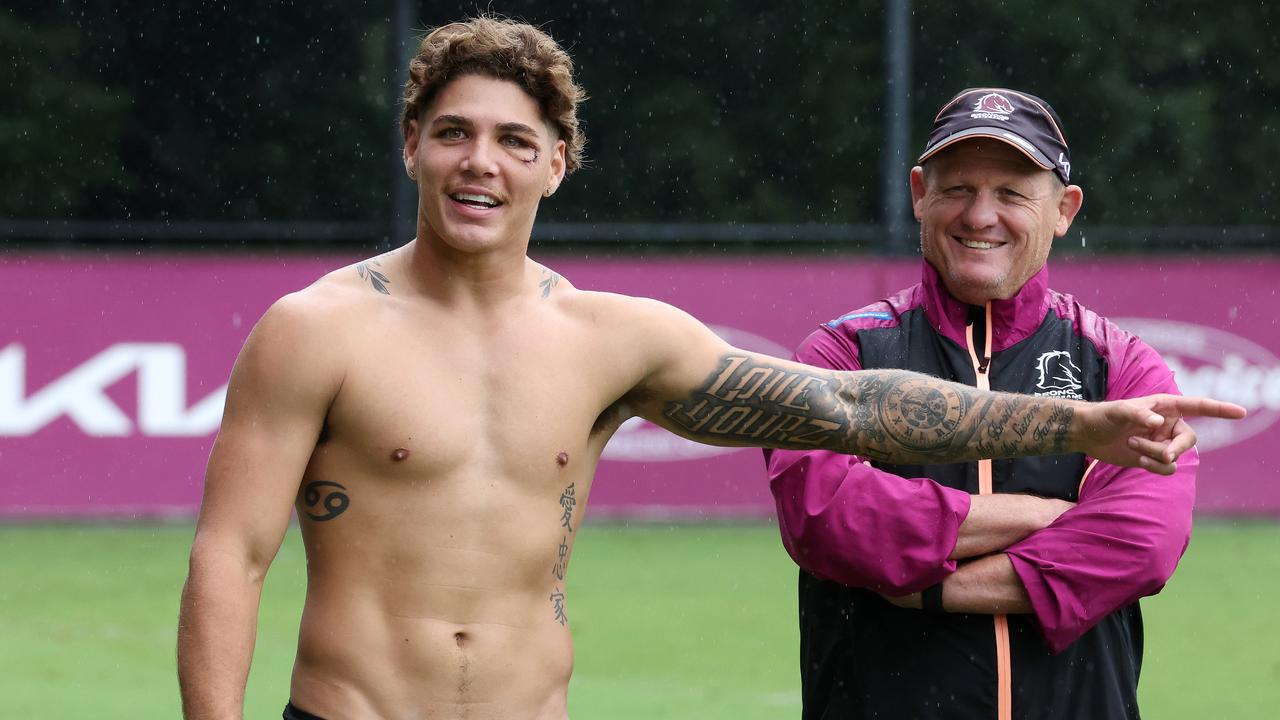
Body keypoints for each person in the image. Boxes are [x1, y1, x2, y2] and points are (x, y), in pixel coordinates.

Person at [176, 21, 1239, 718]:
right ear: (410, 145)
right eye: (452, 133)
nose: (478, 163)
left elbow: (842, 407)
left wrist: (1078, 430)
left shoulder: (610, 339)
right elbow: (230, 557)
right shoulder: (314, 330)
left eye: (511, 138)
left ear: (557, 160)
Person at [766, 87, 1214, 719]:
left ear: (1064, 209)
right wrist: (1042, 515)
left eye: (1011, 193)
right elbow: (828, 516)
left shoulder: (1122, 364)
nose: (980, 216)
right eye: (957, 189)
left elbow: (1142, 542)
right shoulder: (840, 353)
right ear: (919, 193)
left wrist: (928, 591)